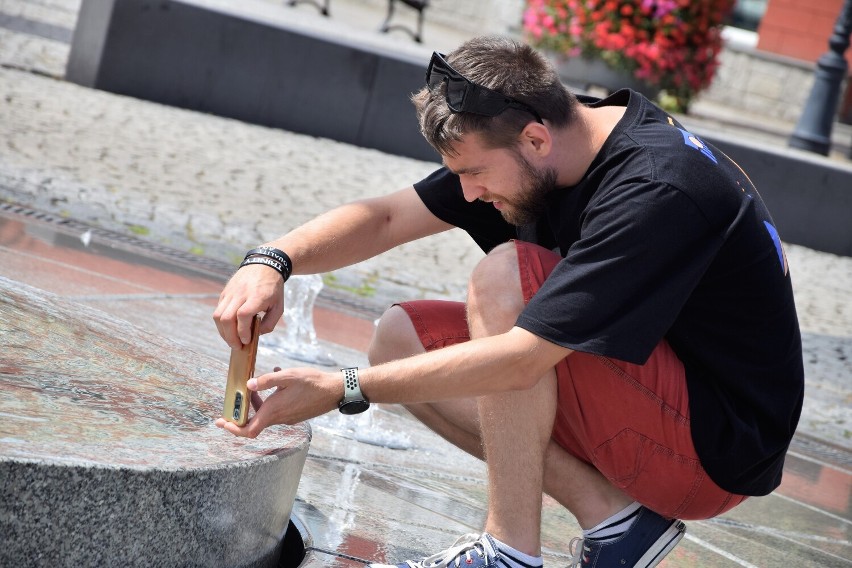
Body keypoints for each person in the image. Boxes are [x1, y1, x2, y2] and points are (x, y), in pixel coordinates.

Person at [212, 36, 804, 568]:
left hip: (710, 451)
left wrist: (343, 387)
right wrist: (272, 260)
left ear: (536, 137)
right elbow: (387, 217)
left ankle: (509, 553)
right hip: (647, 395)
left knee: (506, 280)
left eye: (473, 174)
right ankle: (617, 523)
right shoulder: (541, 149)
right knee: (399, 339)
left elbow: (521, 360)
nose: (468, 194)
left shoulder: (656, 185)